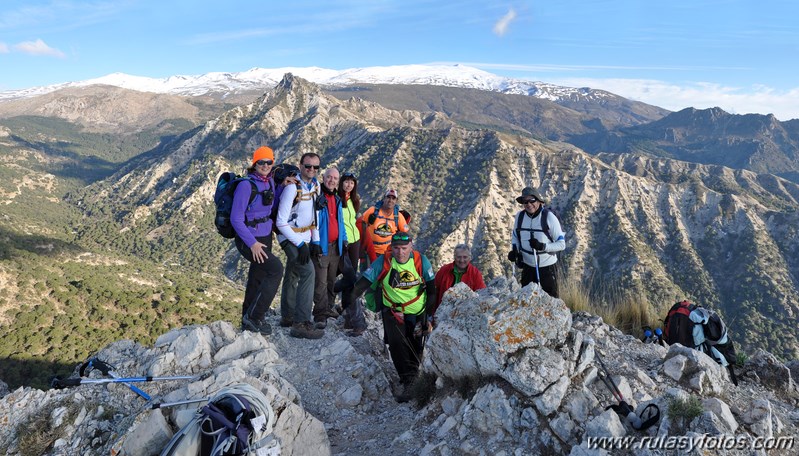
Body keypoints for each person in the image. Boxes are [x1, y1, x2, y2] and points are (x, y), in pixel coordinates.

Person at [336, 233, 437, 402]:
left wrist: (427, 318)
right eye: (396, 248)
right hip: (392, 311)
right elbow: (362, 285)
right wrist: (344, 304)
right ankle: (409, 382)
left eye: (404, 248)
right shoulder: (383, 262)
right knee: (397, 345)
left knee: (415, 346)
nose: (400, 252)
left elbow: (432, 290)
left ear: (411, 246)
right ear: (391, 247)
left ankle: (415, 378)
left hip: (417, 311)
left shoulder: (421, 261)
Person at [230, 146, 284, 335]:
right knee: (276, 269)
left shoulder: (269, 182)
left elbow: (271, 206)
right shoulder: (246, 186)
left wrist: (284, 185)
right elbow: (235, 218)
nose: (265, 165)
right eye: (261, 162)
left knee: (257, 277)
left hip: (265, 236)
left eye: (269, 162)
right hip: (249, 239)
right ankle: (254, 317)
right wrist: (252, 243)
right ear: (254, 163)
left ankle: (247, 319)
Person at [276, 152, 324, 339]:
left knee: (294, 271)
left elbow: (315, 215)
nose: (311, 170)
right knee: (308, 272)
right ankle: (301, 323)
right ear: (300, 165)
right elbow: (281, 222)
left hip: (304, 236)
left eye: (315, 167)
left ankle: (288, 315)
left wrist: (316, 240)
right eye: (307, 166)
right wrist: (300, 244)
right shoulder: (291, 189)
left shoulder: (315, 186)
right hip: (288, 236)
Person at [508, 187, 565, 297]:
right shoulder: (519, 217)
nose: (529, 204)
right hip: (527, 267)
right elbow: (515, 236)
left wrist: (542, 246)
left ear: (538, 201)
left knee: (550, 301)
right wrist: (515, 251)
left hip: (547, 268)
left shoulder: (549, 217)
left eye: (532, 201)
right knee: (526, 299)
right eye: (525, 202)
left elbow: (561, 244)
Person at [311, 167, 347, 329]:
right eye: (329, 177)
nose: (331, 180)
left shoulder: (338, 199)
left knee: (331, 280)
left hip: (336, 246)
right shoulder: (316, 196)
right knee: (321, 282)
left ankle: (329, 307)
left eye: (335, 178)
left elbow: (341, 223)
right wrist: (315, 243)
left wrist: (344, 240)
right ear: (323, 178)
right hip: (322, 246)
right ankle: (319, 314)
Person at [338, 172, 368, 335]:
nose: (349, 185)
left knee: (349, 279)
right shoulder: (337, 199)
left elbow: (353, 221)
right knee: (351, 279)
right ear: (341, 183)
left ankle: (350, 318)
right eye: (346, 182)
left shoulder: (353, 200)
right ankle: (357, 321)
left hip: (355, 240)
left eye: (351, 182)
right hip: (344, 242)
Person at [360, 189, 410, 264]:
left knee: (384, 275)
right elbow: (359, 224)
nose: (390, 200)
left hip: (387, 253)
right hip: (369, 251)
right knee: (366, 274)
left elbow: (405, 232)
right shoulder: (372, 211)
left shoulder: (398, 216)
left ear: (396, 201)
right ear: (384, 198)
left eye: (393, 198)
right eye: (388, 197)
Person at [433, 244, 487, 313]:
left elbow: (481, 294)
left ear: (470, 258)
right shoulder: (444, 270)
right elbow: (434, 292)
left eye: (465, 257)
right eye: (459, 257)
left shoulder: (475, 273)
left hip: (464, 314)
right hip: (443, 312)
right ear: (454, 257)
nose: (462, 260)